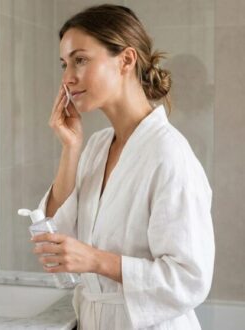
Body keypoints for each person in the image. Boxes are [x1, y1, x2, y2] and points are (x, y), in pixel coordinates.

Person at [31, 4, 215, 330]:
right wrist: (70, 148)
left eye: (81, 60)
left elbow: (190, 278)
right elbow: (57, 236)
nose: (67, 78)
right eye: (64, 64)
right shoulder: (99, 146)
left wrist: (96, 261)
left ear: (126, 60)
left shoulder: (169, 155)